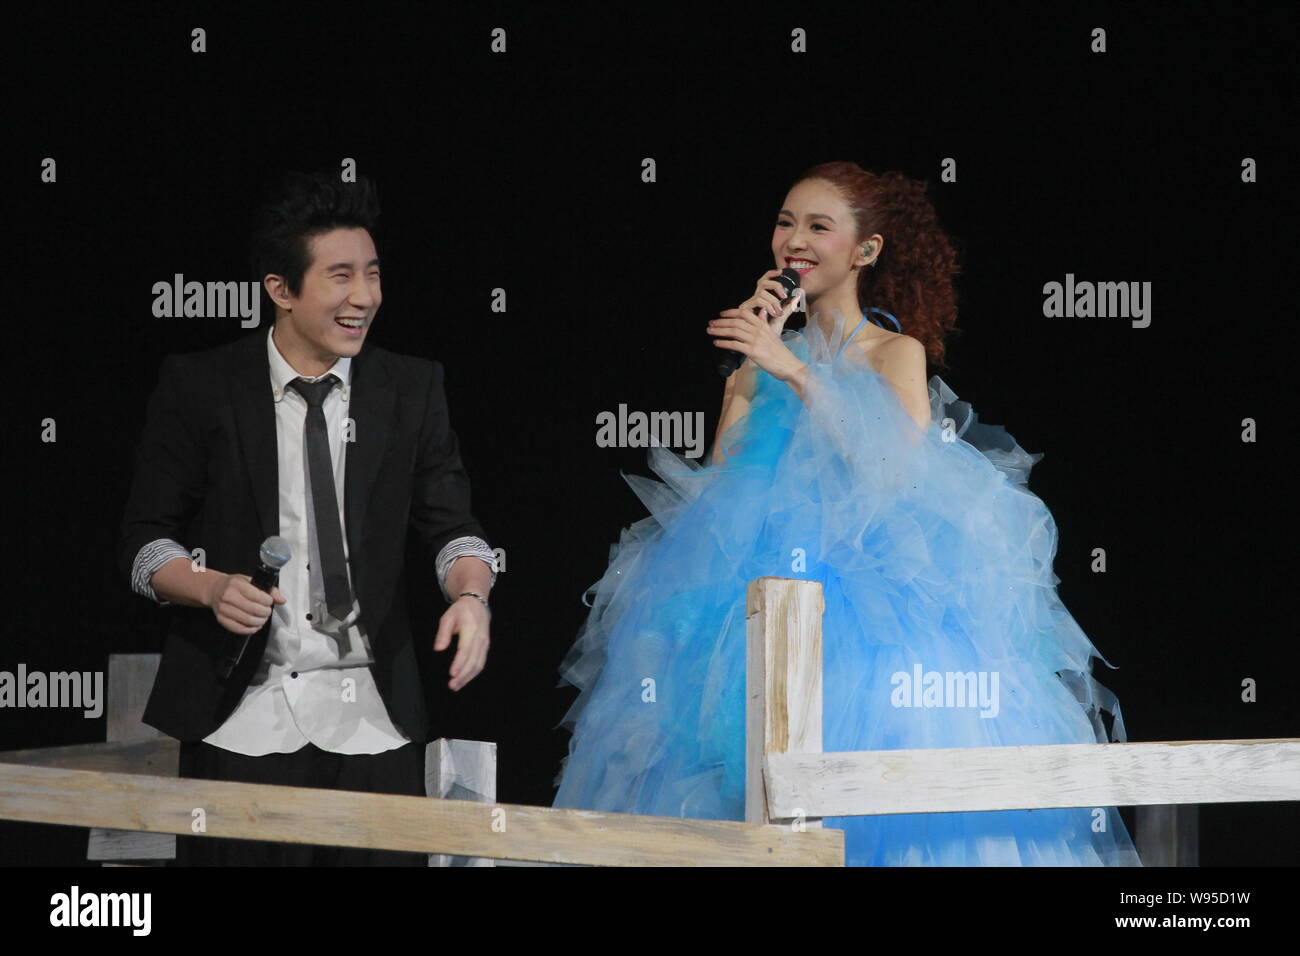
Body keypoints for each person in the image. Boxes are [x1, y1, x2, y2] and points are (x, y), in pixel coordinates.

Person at [552, 161, 1141, 866]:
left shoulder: (895, 352)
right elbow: (720, 484)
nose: (794, 240)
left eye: (817, 226)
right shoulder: (763, 358)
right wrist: (756, 363)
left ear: (865, 250)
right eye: (784, 223)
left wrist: (797, 370)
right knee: (722, 774)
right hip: (747, 604)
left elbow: (895, 474)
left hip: (876, 612)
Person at [117, 171, 497, 865]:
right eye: (340, 276)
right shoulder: (203, 385)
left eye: (372, 275)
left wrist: (471, 596)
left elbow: (454, 530)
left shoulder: (411, 389)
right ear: (281, 289)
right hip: (239, 722)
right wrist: (208, 587)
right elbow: (143, 543)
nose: (364, 297)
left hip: (374, 726)